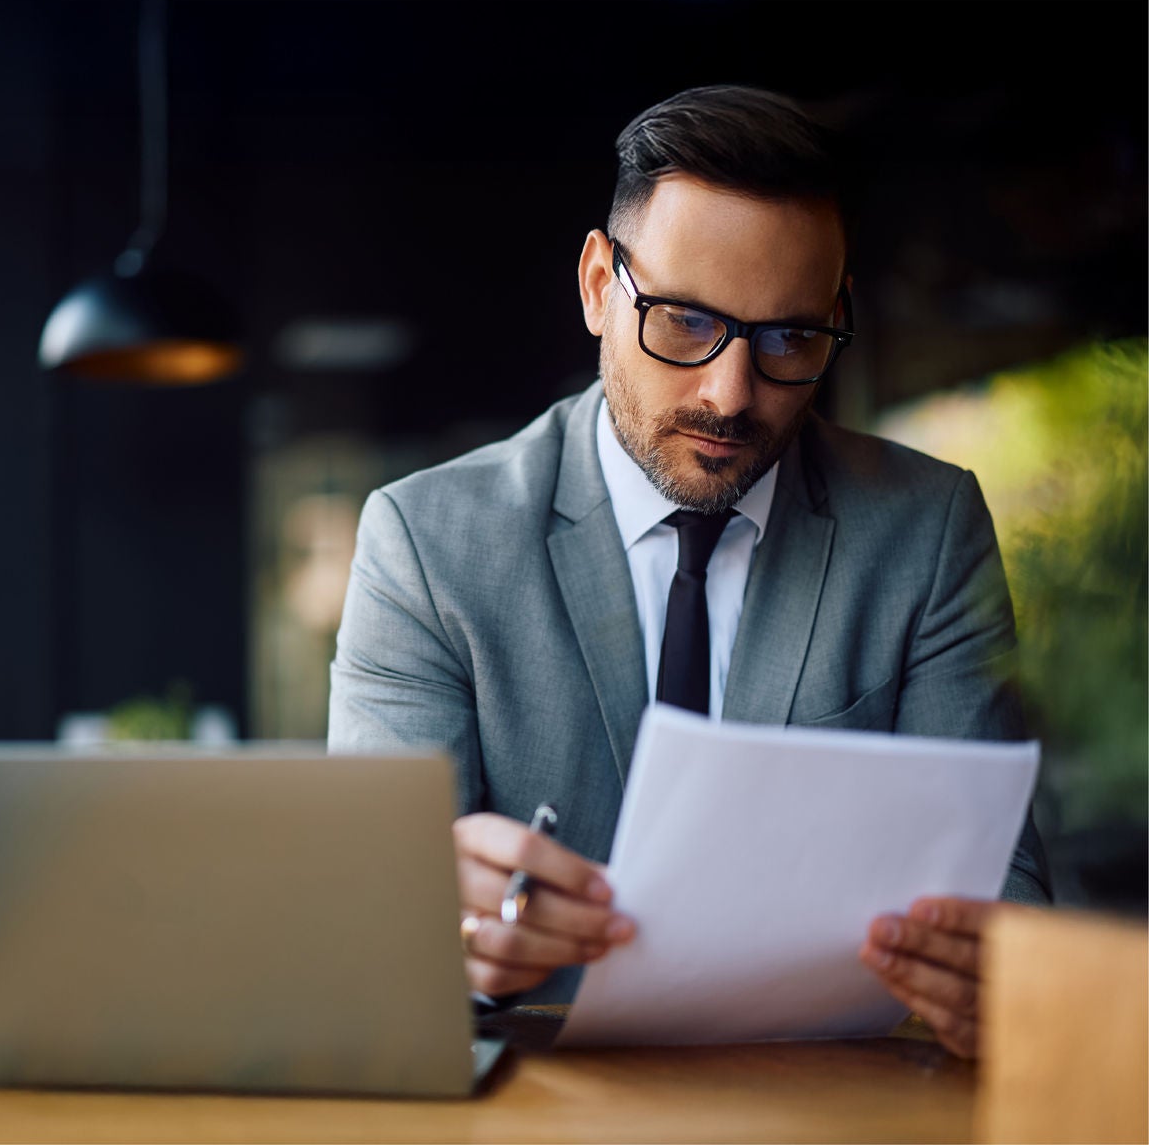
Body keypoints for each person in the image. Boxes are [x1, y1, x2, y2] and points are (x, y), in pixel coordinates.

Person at [326, 85, 1049, 1059]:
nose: (728, 393)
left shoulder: (922, 530)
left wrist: (997, 973)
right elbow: (363, 929)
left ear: (835, 321)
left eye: (787, 338)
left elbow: (1005, 898)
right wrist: (434, 930)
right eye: (680, 322)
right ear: (595, 285)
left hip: (829, 1104)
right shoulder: (427, 543)